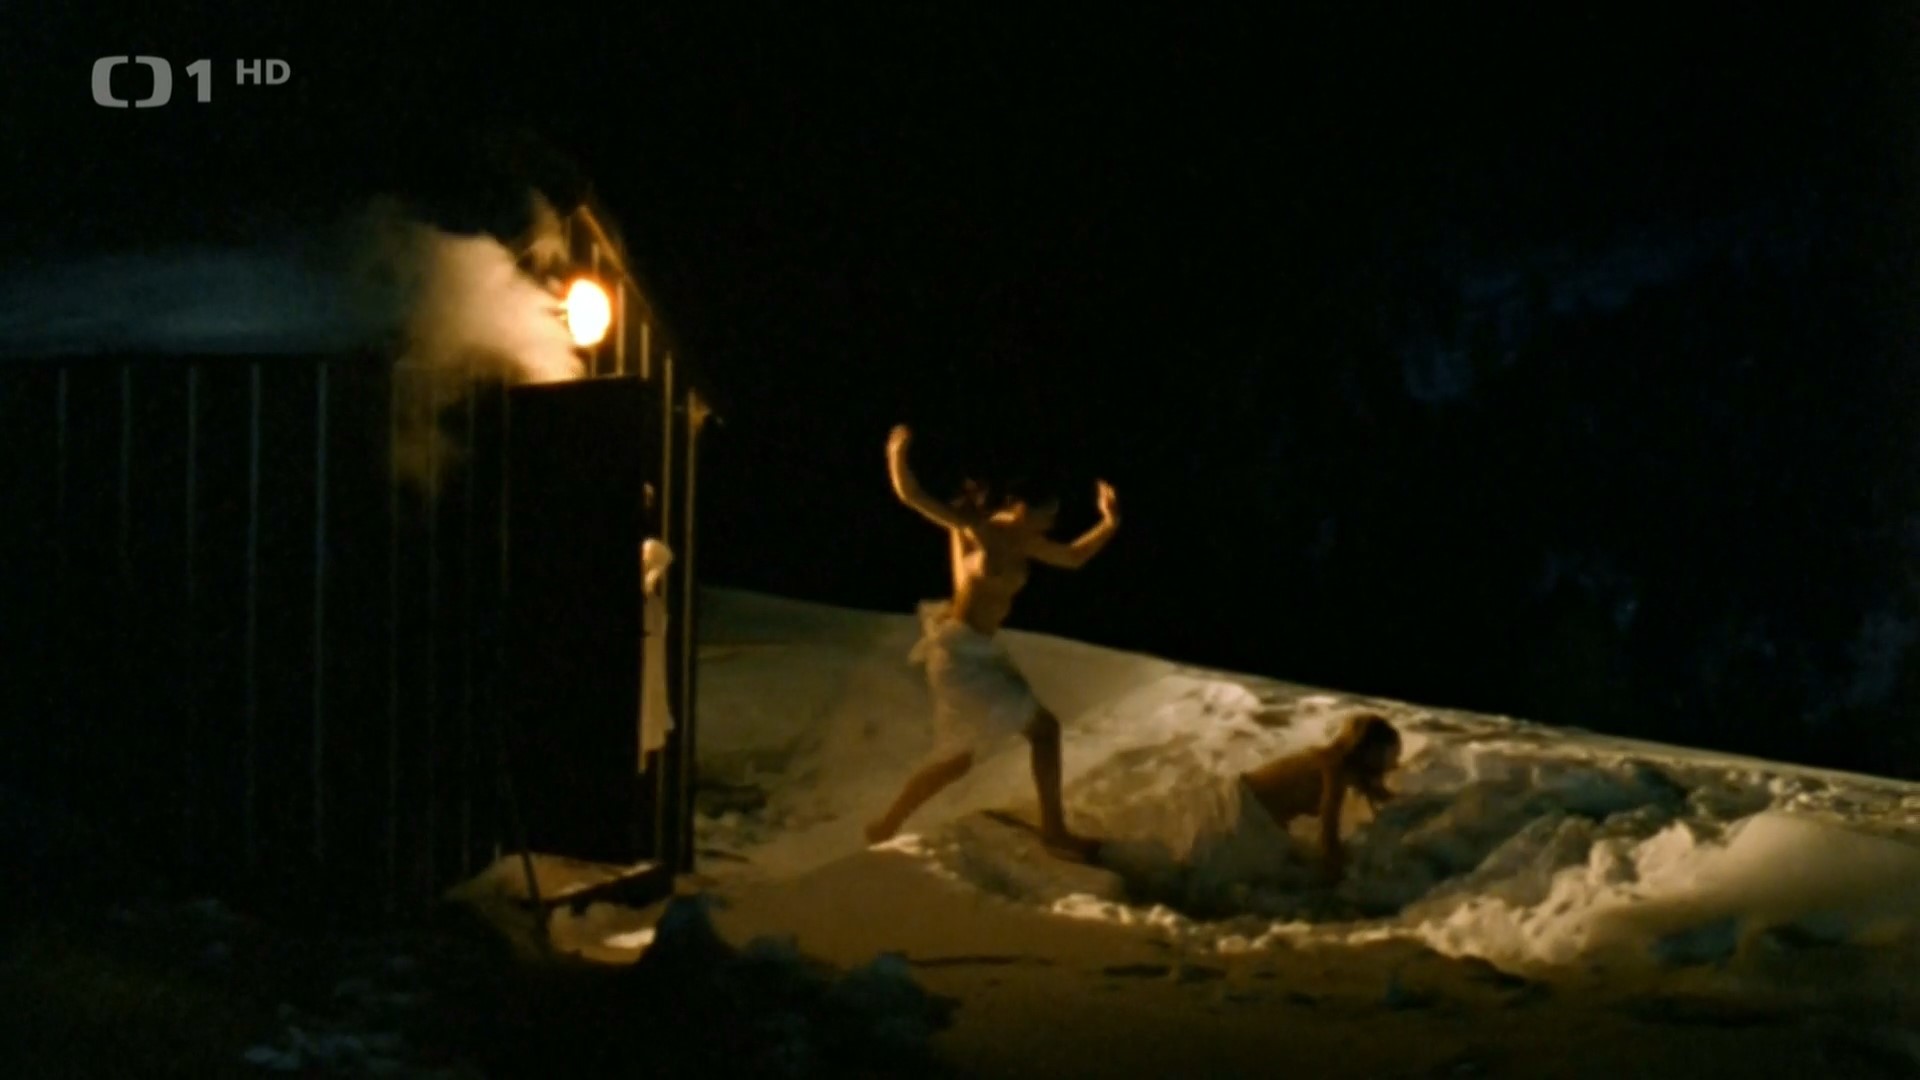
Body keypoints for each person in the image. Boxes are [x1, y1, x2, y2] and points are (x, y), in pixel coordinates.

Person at [864, 424, 1120, 860]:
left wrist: (1109, 522)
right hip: (960, 657)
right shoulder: (985, 531)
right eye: (1047, 515)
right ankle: (1054, 832)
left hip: (979, 653)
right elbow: (914, 497)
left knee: (958, 760)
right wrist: (897, 456)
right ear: (1022, 509)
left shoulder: (1024, 540)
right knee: (1044, 731)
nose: (1052, 523)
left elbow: (1073, 557)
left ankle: (885, 824)